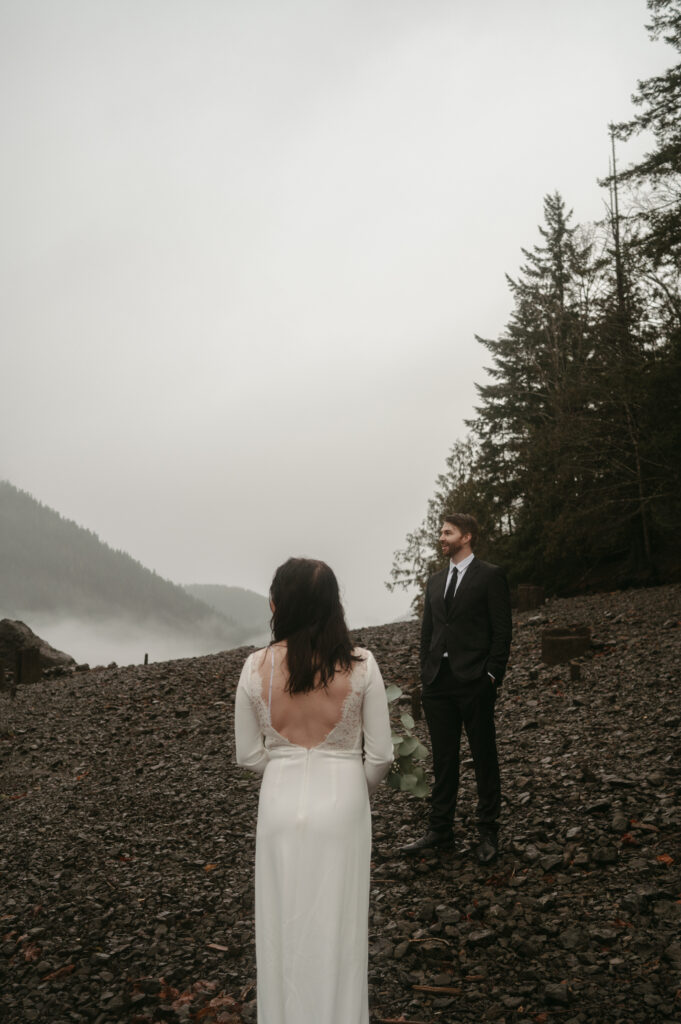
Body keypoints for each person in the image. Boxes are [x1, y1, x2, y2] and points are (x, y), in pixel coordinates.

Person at [234, 557, 393, 1024]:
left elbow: (247, 755)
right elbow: (380, 757)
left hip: (280, 802)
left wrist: (283, 766)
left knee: (281, 922)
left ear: (279, 604)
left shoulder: (253, 667)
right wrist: (348, 787)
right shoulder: (361, 666)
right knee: (339, 923)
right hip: (343, 800)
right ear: (331, 605)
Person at [401, 513, 512, 864]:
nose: (441, 537)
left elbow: (502, 629)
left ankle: (488, 831)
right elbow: (428, 631)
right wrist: (425, 670)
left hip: (475, 679)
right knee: (444, 757)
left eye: (447, 532)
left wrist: (492, 674)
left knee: (483, 755)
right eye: (441, 532)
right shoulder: (435, 581)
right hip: (438, 681)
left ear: (467, 536)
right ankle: (440, 830)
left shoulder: (490, 576)